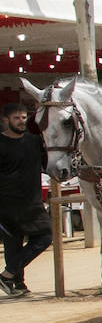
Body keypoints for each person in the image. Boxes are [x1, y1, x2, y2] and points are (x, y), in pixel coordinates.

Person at [0, 101, 50, 298]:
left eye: (23, 117)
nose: (22, 121)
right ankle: (16, 283)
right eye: (16, 118)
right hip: (7, 205)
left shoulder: (34, 141)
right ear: (5, 120)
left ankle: (8, 275)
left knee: (45, 237)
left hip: (32, 203)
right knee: (13, 245)